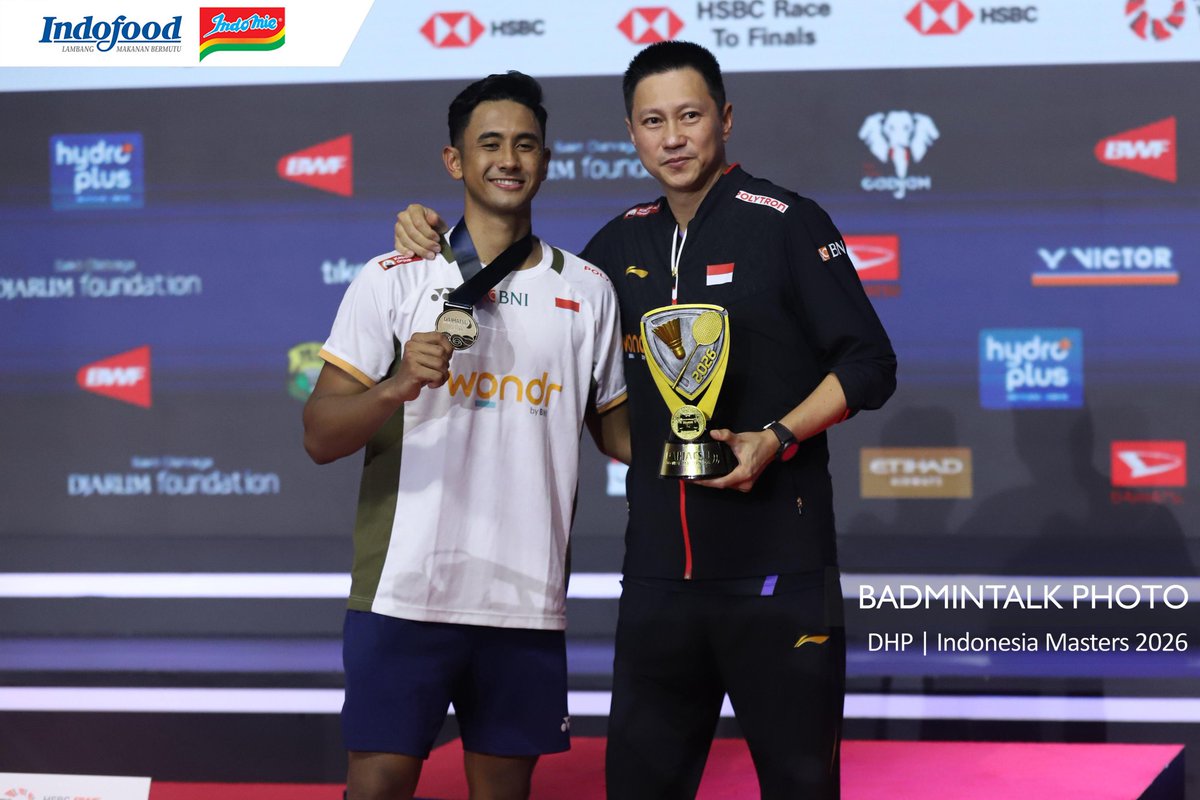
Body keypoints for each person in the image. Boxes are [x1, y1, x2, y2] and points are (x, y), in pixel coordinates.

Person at [392, 42, 896, 800]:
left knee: (801, 787)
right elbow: (524, 297)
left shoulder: (787, 222)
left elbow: (868, 364)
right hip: (660, 579)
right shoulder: (617, 245)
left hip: (778, 572)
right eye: (653, 121)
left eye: (690, 116)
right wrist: (431, 236)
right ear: (632, 133)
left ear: (723, 119)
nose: (674, 137)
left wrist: (777, 436)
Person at [304, 71, 629, 800]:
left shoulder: (589, 289)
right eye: (489, 144)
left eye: (525, 144)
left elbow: (618, 434)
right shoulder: (392, 278)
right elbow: (320, 434)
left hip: (525, 598)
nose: (508, 158)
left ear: (546, 160)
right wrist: (392, 385)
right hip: (404, 593)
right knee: (378, 788)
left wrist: (716, 426)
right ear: (455, 161)